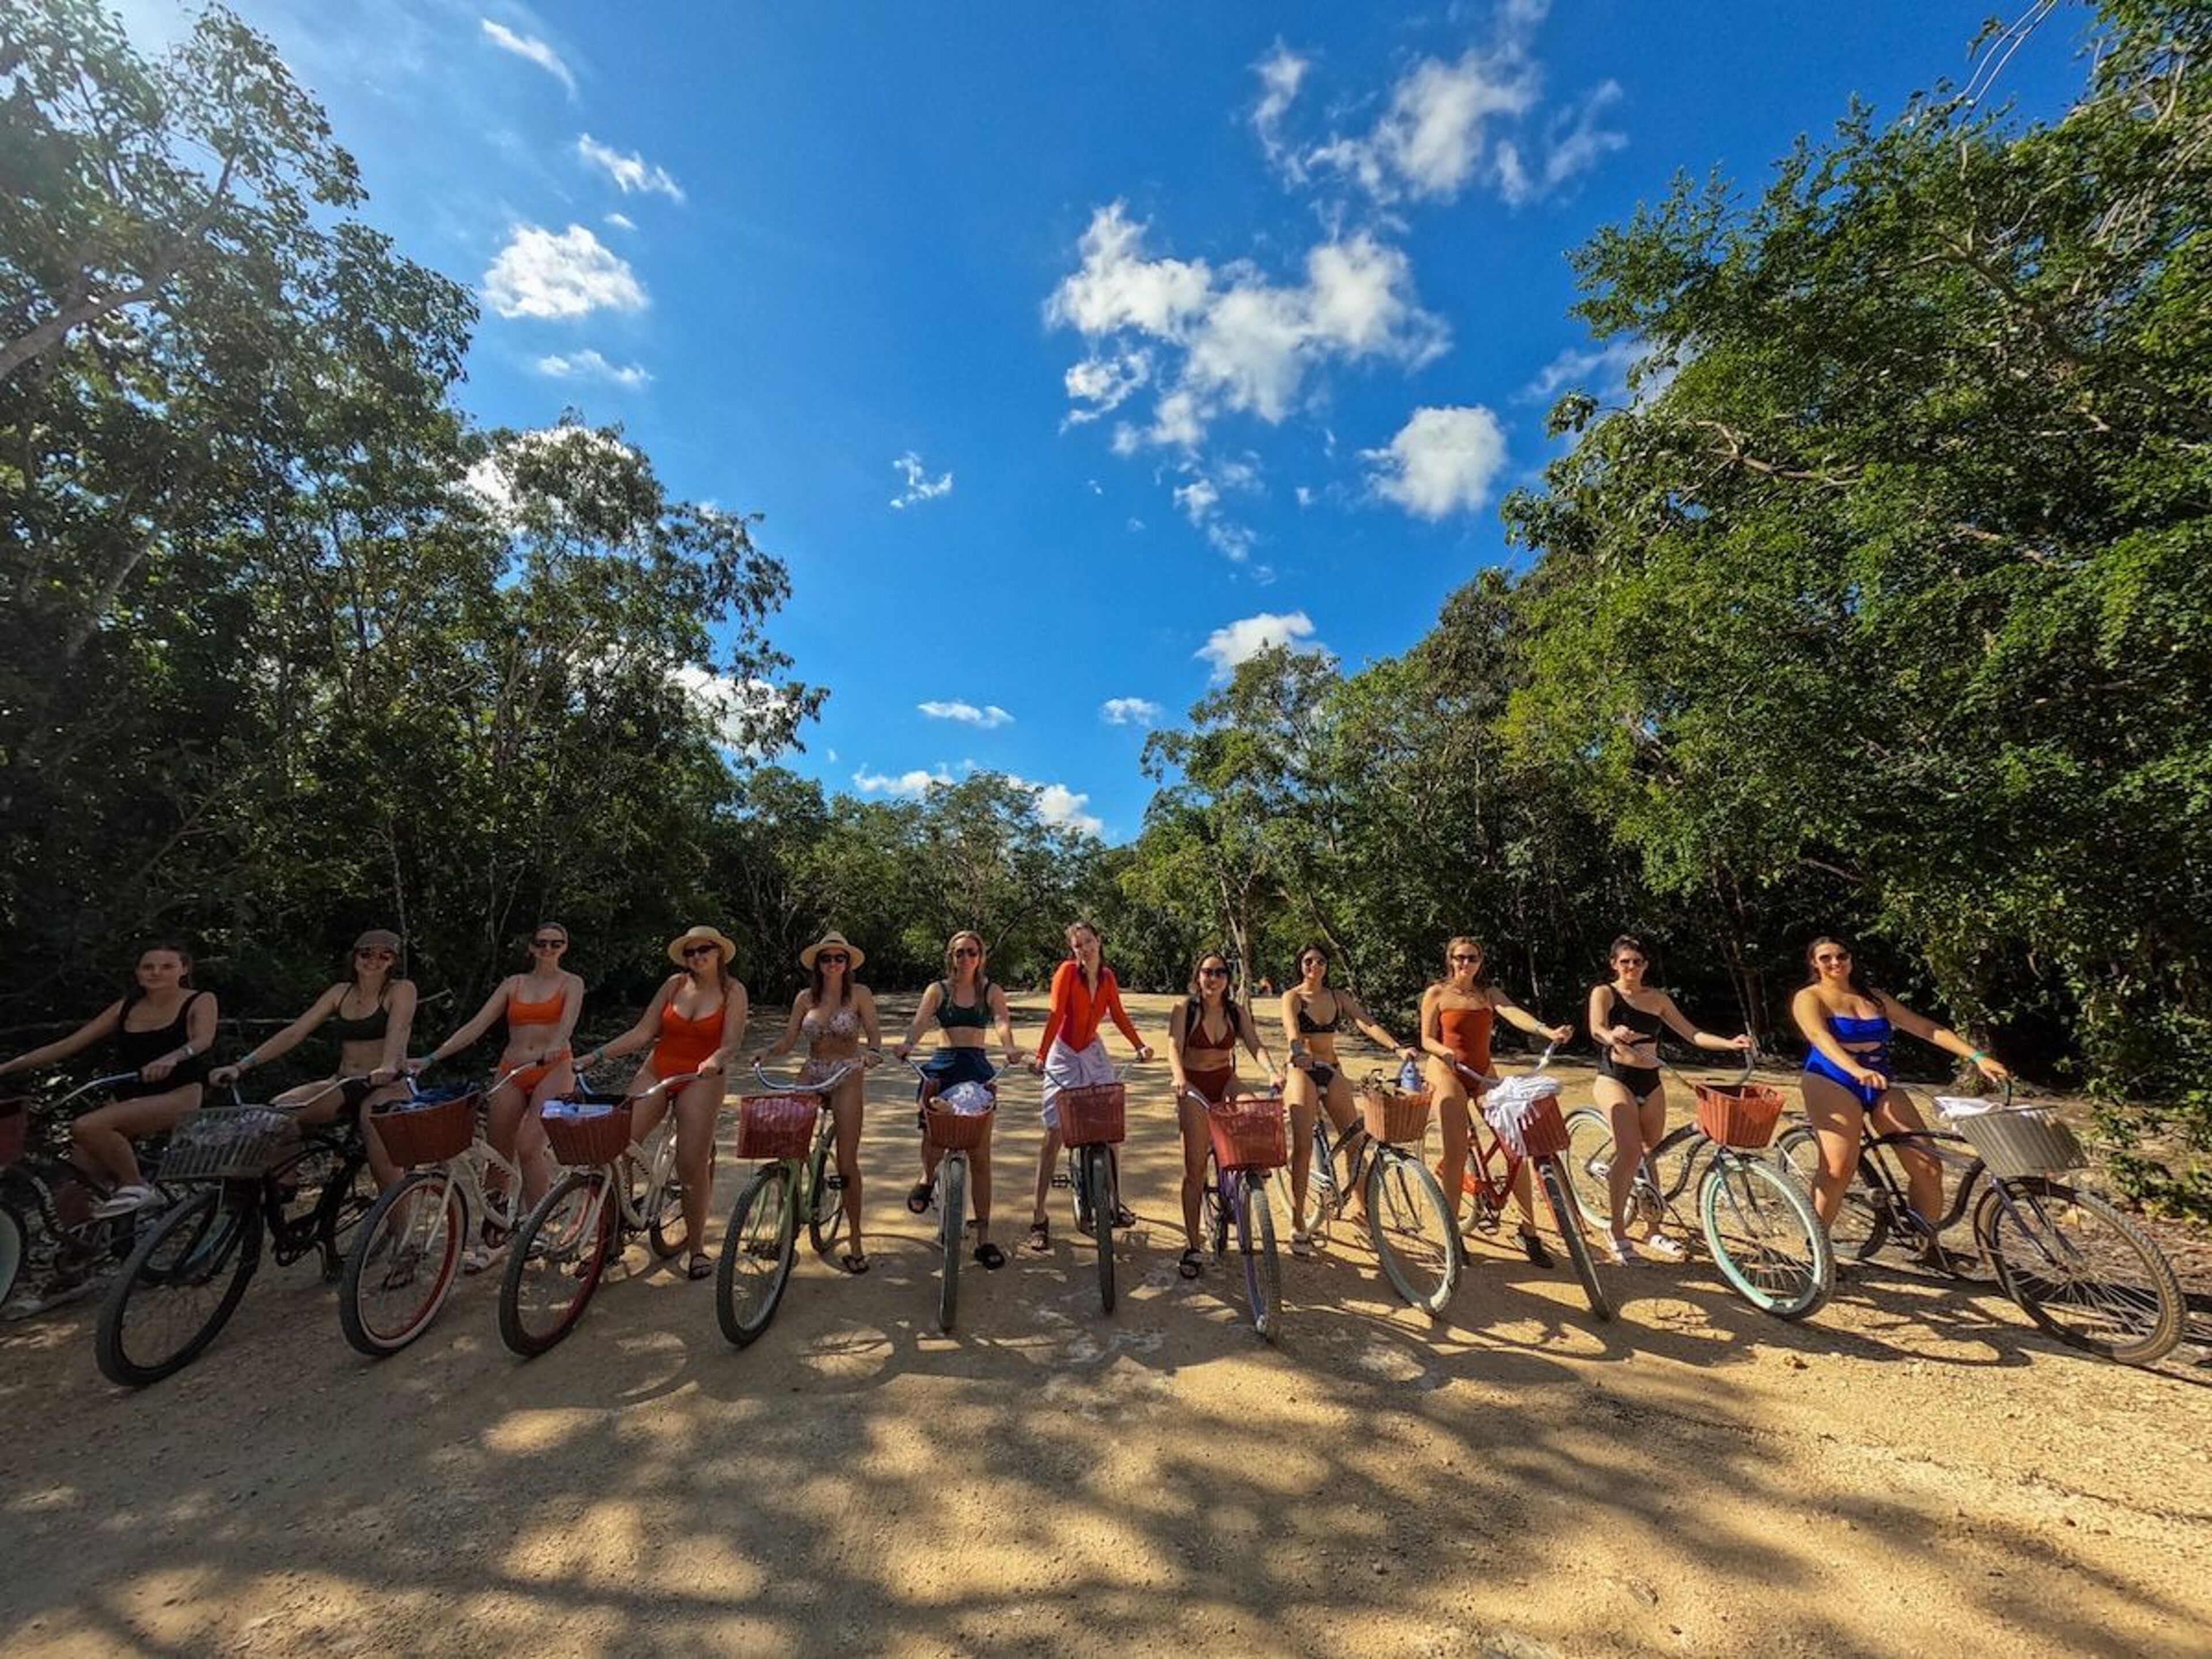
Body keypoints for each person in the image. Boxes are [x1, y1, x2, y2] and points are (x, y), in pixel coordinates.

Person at [1792, 935, 2008, 1248]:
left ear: (1851, 959)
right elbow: (1818, 1036)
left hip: (1879, 1080)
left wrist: (1977, 1057)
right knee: (1838, 1169)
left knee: (1928, 1165)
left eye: (1842, 956)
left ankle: (1927, 1244)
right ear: (1814, 963)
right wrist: (1855, 1070)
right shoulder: (1810, 997)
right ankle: (1817, 1248)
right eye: (1826, 958)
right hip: (1832, 1078)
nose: (1835, 962)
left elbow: (1926, 1028)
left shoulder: (1874, 998)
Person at [579, 925, 749, 1281]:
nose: (697, 957)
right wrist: (595, 1056)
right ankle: (613, 1233)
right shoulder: (673, 985)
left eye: (704, 950)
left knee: (690, 1164)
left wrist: (716, 1059)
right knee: (617, 1144)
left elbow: (732, 1042)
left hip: (701, 1078)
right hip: (659, 1069)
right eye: (690, 952)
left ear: (719, 953)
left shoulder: (733, 991)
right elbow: (642, 1032)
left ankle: (697, 1247)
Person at [0, 942, 218, 1215]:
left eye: (167, 967)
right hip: (126, 1096)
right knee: (76, 1185)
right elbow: (69, 1045)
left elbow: (203, 1040)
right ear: (137, 972)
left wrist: (174, 1057)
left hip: (177, 1094)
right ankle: (85, 1239)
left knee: (87, 1126)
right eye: (148, 967)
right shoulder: (126, 1006)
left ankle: (136, 1186)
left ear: (183, 970)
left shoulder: (200, 1000)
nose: (156, 973)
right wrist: (6, 1067)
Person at [408, 923, 583, 1247]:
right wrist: (431, 1058)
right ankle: (494, 1232)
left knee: (529, 1147)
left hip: (554, 1068)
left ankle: (537, 1228)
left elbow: (568, 1022)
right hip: (512, 1069)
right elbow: (476, 1025)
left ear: (565, 947)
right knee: (496, 1153)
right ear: (531, 947)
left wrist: (557, 1043)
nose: (547, 949)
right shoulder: (514, 984)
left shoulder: (572, 982)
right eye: (541, 943)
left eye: (555, 944)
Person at [1585, 934, 1753, 1263]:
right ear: (1614, 964)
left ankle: (1653, 1229)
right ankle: (1616, 1231)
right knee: (1630, 1153)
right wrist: (1612, 1035)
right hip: (1615, 1078)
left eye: (1637, 962)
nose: (1631, 967)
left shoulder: (1657, 999)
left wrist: (1730, 1044)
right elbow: (1596, 1028)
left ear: (1645, 965)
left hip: (1651, 1080)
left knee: (1650, 1153)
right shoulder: (1604, 993)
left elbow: (1692, 1034)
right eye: (1624, 962)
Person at [211, 929, 419, 1188]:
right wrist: (242, 1065)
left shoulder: (401, 990)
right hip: (345, 1082)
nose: (373, 961)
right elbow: (296, 1032)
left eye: (384, 956)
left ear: (393, 962)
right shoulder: (340, 993)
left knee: (380, 1152)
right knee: (280, 1112)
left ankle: (397, 1213)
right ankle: (284, 1187)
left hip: (387, 1084)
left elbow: (398, 1028)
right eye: (366, 954)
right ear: (354, 957)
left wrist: (387, 1066)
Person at [1417, 936, 1576, 1265]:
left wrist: (1547, 1032)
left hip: (1482, 1073)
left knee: (1515, 1145)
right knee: (1456, 1151)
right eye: (1460, 957)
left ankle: (1529, 1231)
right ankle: (1452, 1233)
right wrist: (1443, 1051)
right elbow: (1426, 1039)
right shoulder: (1437, 993)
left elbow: (1512, 1012)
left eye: (1472, 958)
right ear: (1450, 960)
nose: (1466, 963)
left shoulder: (1487, 994)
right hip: (1447, 1071)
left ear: (1480, 961)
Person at [892, 930, 1022, 1271]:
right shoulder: (938, 990)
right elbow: (920, 1023)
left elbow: (1001, 1021)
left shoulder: (991, 991)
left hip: (976, 1066)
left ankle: (983, 1238)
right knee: (933, 1128)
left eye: (972, 952)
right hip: (944, 1064)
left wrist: (1009, 1047)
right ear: (951, 956)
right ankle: (927, 1178)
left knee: (981, 1155)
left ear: (981, 957)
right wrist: (907, 1044)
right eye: (959, 953)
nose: (965, 958)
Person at [753, 930, 881, 1273]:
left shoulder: (860, 994)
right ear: (817, 964)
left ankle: (855, 1242)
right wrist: (767, 1052)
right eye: (826, 958)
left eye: (840, 958)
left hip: (847, 1072)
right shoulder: (804, 998)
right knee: (788, 1148)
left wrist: (872, 1054)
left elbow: (874, 1034)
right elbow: (789, 1040)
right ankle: (784, 1227)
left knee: (847, 1162)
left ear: (848, 963)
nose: (833, 964)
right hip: (812, 1070)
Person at [1281, 942, 1418, 1257]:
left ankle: (1360, 1209)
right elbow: (1291, 1029)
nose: (1315, 966)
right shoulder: (1293, 997)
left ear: (1327, 966)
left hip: (1331, 1068)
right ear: (1301, 965)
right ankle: (1298, 1221)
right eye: (1309, 961)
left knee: (1356, 1139)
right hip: (1302, 1070)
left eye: (1320, 961)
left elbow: (1366, 1022)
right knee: (1303, 1145)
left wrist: (1397, 1048)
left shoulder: (1337, 997)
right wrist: (1298, 1052)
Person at [1027, 921, 1153, 1254]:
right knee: (1054, 1132)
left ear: (1099, 940)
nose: (1085, 948)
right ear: (1073, 949)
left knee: (1110, 1128)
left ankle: (1114, 1200)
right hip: (1064, 1052)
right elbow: (1056, 1014)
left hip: (1092, 1050)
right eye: (1078, 944)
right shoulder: (1067, 973)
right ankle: (1039, 1216)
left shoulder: (1108, 977)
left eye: (1088, 941)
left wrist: (1140, 1046)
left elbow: (1119, 1014)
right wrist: (1041, 1056)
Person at [1165, 950, 1284, 1279]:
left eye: (1220, 972)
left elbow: (1255, 1045)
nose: (1213, 978)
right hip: (1193, 1085)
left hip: (1225, 1080)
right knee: (1194, 1170)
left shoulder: (1235, 1011)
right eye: (1207, 972)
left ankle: (1244, 1186)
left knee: (1255, 1113)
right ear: (1198, 976)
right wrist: (1179, 1077)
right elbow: (1174, 1047)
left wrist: (1272, 1072)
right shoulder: (1185, 1009)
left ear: (1228, 979)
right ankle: (1193, 1245)